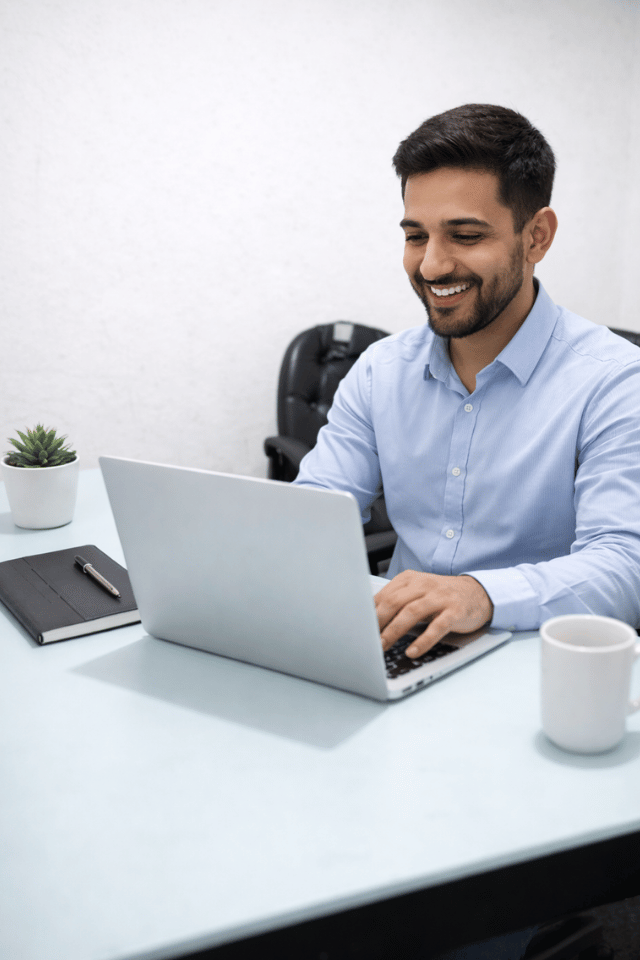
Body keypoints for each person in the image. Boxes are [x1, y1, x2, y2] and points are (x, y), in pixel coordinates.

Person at [294, 103, 640, 659]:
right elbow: (314, 512)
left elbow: (624, 567)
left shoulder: (616, 382)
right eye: (416, 236)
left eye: (465, 235)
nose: (431, 266)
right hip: (394, 646)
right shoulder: (381, 370)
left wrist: (481, 595)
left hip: (532, 664)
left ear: (537, 237)